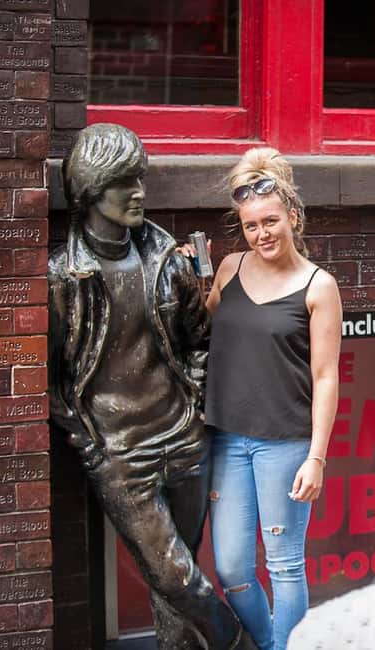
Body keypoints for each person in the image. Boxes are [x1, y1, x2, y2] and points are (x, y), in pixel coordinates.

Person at [48, 123, 256, 649]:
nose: (139, 192)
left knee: (176, 580)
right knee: (177, 577)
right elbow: (51, 381)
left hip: (183, 437)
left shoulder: (166, 262)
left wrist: (195, 404)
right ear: (92, 189)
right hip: (121, 451)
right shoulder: (64, 278)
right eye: (125, 182)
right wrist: (91, 446)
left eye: (139, 178)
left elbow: (200, 341)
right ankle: (237, 640)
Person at [202, 148, 342, 650]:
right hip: (226, 440)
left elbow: (325, 377)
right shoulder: (229, 269)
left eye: (270, 221)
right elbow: (203, 325)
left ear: (293, 218)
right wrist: (192, 276)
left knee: (284, 565)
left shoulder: (318, 287)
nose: (261, 234)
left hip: (285, 443)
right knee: (232, 569)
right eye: (251, 225)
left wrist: (316, 457)